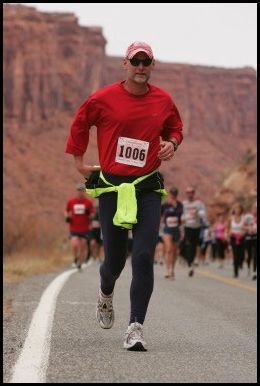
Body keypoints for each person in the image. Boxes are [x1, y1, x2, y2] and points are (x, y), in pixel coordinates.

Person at [65, 41, 183, 351]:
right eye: (136, 61)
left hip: (146, 188)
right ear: (126, 64)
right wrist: (78, 162)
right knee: (115, 260)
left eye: (146, 62)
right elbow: (81, 122)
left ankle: (135, 327)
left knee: (143, 255)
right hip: (112, 187)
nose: (141, 67)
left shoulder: (164, 100)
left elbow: (175, 127)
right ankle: (105, 293)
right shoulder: (103, 98)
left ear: (152, 65)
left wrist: (172, 142)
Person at [65, 183, 94, 270]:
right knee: (74, 245)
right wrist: (67, 217)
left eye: (82, 191)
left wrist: (88, 213)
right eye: (78, 191)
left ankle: (80, 263)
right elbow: (66, 211)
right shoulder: (71, 202)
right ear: (76, 191)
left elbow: (92, 215)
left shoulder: (88, 202)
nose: (80, 192)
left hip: (85, 228)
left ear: (84, 191)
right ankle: (75, 259)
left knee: (83, 247)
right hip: (74, 227)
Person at [182, 186, 207, 277]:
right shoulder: (183, 204)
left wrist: (198, 213)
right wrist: (183, 219)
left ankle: (193, 260)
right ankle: (189, 264)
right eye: (188, 192)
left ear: (194, 193)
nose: (190, 194)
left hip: (197, 227)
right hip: (188, 227)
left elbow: (203, 214)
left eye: (191, 192)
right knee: (189, 245)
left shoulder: (199, 203)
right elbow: (181, 215)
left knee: (196, 245)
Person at [161, 187, 183, 278]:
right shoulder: (165, 205)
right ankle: (167, 270)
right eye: (172, 194)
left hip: (176, 229)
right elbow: (160, 214)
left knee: (174, 250)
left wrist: (174, 205)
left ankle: (172, 269)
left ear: (177, 195)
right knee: (169, 249)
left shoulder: (179, 205)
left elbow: (180, 215)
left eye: (175, 194)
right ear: (169, 194)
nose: (173, 196)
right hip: (167, 229)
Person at [226, 203, 246, 278]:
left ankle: (241, 262)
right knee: (235, 254)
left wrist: (243, 232)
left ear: (241, 210)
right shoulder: (231, 218)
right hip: (233, 237)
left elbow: (245, 227)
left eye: (238, 208)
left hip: (241, 237)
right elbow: (227, 228)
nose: (237, 210)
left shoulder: (244, 218)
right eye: (235, 208)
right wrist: (227, 234)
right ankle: (235, 272)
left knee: (241, 254)